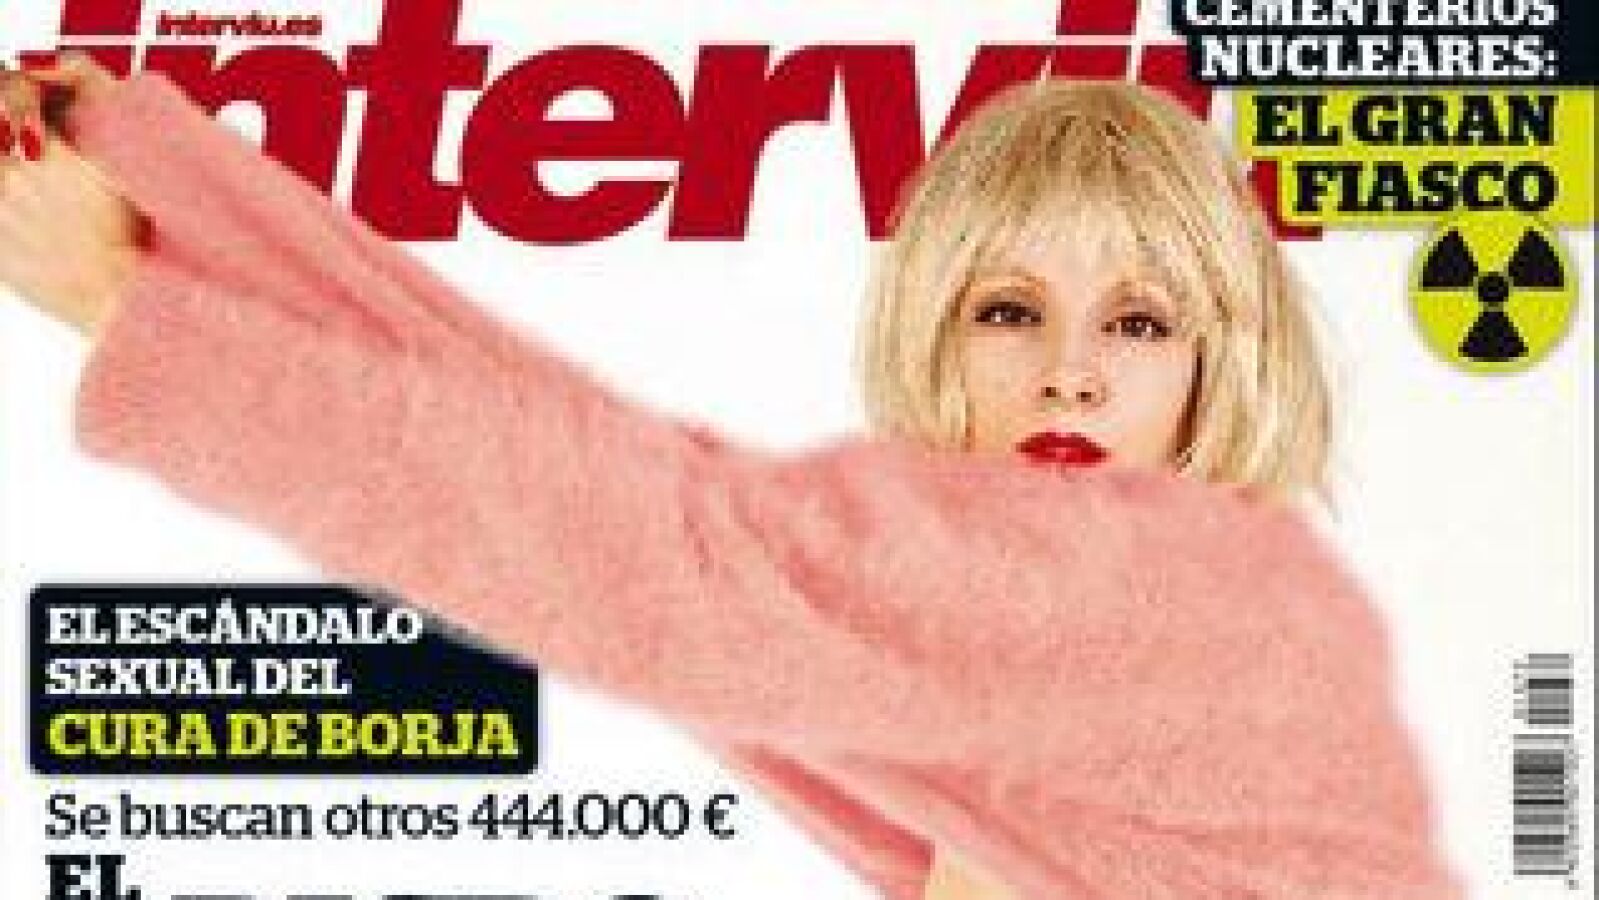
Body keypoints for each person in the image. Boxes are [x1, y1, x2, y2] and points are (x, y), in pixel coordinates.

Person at [0, 54, 1459, 899]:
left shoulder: (1174, 596)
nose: (1070, 373)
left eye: (1139, 324)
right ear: (935, 332)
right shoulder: (1054, 678)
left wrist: (129, 305)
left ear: (1222, 359)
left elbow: (639, 548)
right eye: (1010, 311)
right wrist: (176, 191)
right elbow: (608, 479)